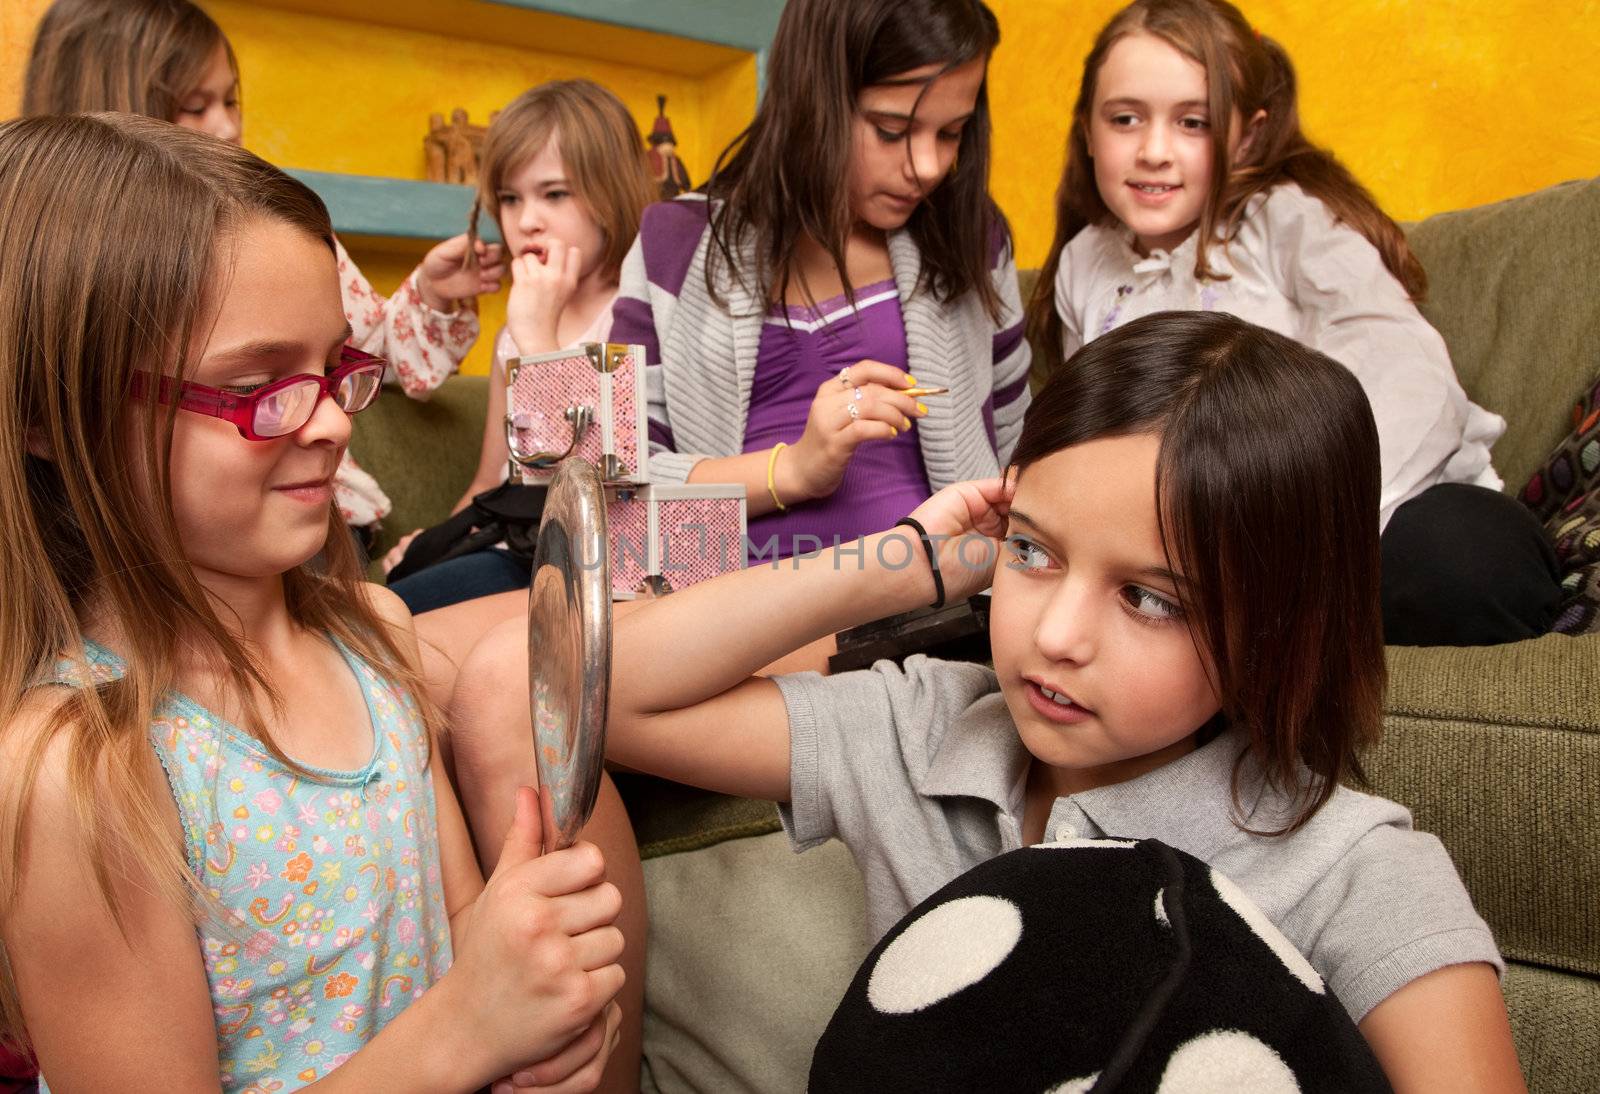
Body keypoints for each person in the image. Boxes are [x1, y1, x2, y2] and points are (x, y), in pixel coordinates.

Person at [527, 310, 1517, 1090]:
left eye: (1147, 597)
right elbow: (593, 688)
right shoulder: (924, 727)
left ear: (1275, 625)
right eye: (1034, 551)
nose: (1055, 634)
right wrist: (906, 562)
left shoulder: (1356, 868)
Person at [0, 113, 644, 1094]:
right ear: (53, 415)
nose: (337, 419)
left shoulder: (370, 632)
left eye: (338, 366)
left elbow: (455, 931)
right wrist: (468, 1026)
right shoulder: (75, 770)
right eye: (260, 386)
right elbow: (455, 1014)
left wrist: (524, 1008)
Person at [1025, 0, 1560, 647]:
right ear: (1088, 130)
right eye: (1125, 119)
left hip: (1358, 509)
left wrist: (1313, 528)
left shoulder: (1284, 223)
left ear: (1247, 135)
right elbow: (1097, 437)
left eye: (1192, 122)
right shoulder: (1086, 265)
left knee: (1464, 557)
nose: (1154, 151)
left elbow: (1410, 375)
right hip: (1193, 540)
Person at [22, 0, 505, 541]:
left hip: (332, 523)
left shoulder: (281, 233)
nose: (227, 126)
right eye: (194, 106)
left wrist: (431, 296)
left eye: (231, 100)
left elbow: (372, 349)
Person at [616, 0, 1031, 565]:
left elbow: (1022, 456)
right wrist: (794, 470)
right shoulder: (674, 246)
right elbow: (614, 489)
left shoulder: (972, 239)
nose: (930, 166)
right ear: (812, 97)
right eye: (891, 131)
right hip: (729, 611)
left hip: (936, 596)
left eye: (952, 132)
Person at [385, 79, 656, 616]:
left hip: (602, 557)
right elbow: (493, 480)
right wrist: (436, 541)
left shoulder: (635, 310)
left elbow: (611, 482)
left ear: (613, 190)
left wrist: (539, 333)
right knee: (395, 599)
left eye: (554, 194)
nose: (526, 219)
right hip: (519, 545)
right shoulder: (514, 326)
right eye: (510, 198)